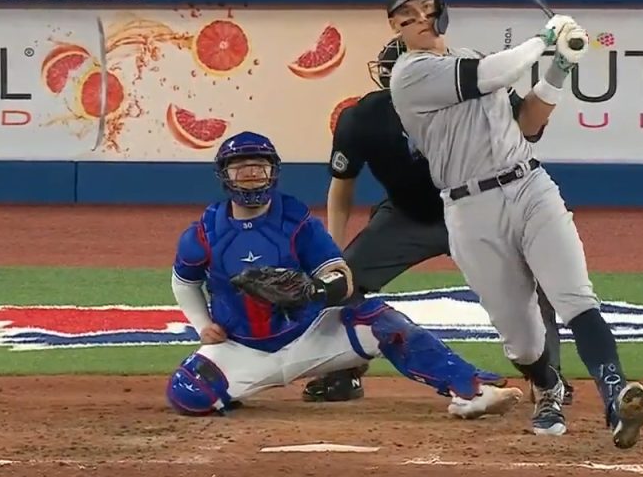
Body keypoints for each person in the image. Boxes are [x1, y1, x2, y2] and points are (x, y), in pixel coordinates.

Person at [384, 0, 643, 448]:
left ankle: (616, 396)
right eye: (406, 16)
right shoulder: (409, 75)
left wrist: (561, 68)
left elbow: (528, 122)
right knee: (524, 341)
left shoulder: (470, 59)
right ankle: (547, 386)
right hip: (470, 211)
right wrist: (545, 40)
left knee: (575, 297)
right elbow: (491, 75)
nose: (419, 19)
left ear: (441, 10)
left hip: (529, 186)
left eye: (426, 8)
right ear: (395, 28)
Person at [165, 131, 524, 418]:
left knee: (385, 322)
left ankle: (474, 391)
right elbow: (184, 281)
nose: (251, 176)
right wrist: (201, 325)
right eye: (241, 169)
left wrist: (312, 291)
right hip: (241, 348)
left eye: (258, 168)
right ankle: (236, 390)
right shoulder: (205, 232)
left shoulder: (296, 220)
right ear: (224, 176)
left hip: (311, 339)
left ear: (273, 171)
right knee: (188, 396)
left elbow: (341, 277)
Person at [302, 37, 574, 407]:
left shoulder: (478, 93)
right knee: (341, 282)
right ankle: (342, 373)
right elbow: (341, 188)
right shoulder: (362, 118)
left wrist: (556, 66)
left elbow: (529, 127)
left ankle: (546, 376)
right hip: (407, 216)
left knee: (537, 278)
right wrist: (332, 255)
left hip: (481, 209)